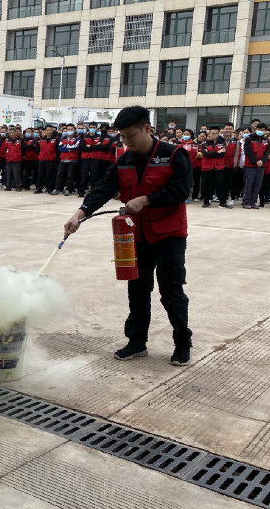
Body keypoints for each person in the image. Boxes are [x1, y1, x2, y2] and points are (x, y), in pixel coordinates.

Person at [64, 105, 193, 366]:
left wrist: (146, 200)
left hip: (169, 236)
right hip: (136, 237)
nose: (127, 142)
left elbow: (181, 190)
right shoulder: (123, 160)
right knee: (137, 290)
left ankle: (182, 342)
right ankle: (137, 342)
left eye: (131, 135)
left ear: (148, 129)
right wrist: (79, 214)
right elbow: (103, 188)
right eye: (122, 137)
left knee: (171, 293)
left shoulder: (173, 155)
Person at [242, 123, 270, 209]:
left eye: (262, 130)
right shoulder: (249, 139)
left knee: (257, 184)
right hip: (250, 165)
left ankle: (253, 202)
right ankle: (246, 201)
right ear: (255, 129)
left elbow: (267, 153)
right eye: (259, 129)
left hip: (261, 166)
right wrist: (256, 161)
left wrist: (262, 161)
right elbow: (248, 152)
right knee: (248, 184)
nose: (260, 131)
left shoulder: (266, 140)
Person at [200, 126, 228, 208]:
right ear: (209, 133)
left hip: (218, 167)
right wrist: (217, 152)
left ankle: (222, 202)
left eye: (216, 133)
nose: (214, 135)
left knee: (220, 185)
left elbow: (223, 154)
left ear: (219, 133)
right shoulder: (205, 143)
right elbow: (205, 154)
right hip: (207, 167)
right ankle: (206, 201)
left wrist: (211, 153)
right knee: (206, 185)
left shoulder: (223, 142)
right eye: (212, 133)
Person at [53, 124, 79, 195]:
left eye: (71, 129)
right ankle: (57, 188)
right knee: (60, 174)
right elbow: (60, 148)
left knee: (70, 175)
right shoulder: (62, 138)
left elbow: (75, 147)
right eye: (68, 129)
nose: (69, 131)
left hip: (72, 159)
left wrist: (66, 147)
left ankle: (68, 189)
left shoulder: (77, 139)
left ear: (74, 130)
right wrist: (69, 148)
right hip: (63, 159)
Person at [36, 125, 58, 194]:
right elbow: (38, 148)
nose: (48, 131)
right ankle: (39, 188)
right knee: (40, 174)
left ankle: (50, 188)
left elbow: (57, 150)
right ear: (45, 131)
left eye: (50, 130)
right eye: (47, 130)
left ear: (52, 131)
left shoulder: (55, 139)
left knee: (50, 175)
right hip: (42, 159)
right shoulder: (42, 139)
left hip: (50, 159)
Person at [222, 122, 238, 207]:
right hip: (220, 164)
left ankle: (226, 198)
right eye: (226, 129)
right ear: (223, 129)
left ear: (233, 130)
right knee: (219, 182)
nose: (228, 130)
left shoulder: (235, 140)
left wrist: (234, 163)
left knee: (228, 183)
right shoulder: (219, 139)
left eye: (230, 129)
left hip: (230, 164)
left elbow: (236, 153)